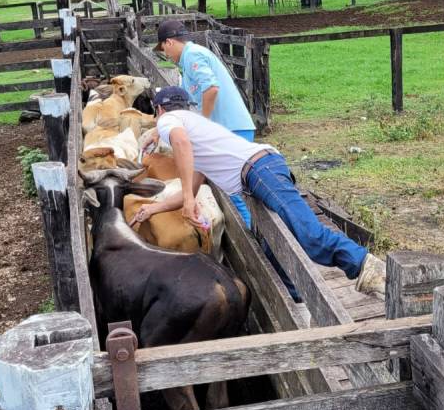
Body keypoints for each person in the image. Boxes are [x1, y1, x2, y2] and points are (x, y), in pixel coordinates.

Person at [133, 86, 386, 297]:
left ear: (159, 109)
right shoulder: (196, 131)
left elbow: (180, 144)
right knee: (273, 253)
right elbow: (191, 186)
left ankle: (364, 264)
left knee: (309, 235)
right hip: (262, 169)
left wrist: (189, 200)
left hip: (259, 170)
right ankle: (297, 302)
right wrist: (154, 208)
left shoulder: (168, 121)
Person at [153, 19, 255, 226]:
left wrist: (204, 124)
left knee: (234, 193)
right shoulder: (187, 61)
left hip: (230, 128)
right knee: (234, 191)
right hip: (229, 128)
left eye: (164, 49)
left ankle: (252, 237)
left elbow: (211, 88)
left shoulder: (192, 55)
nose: (166, 54)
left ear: (169, 42)